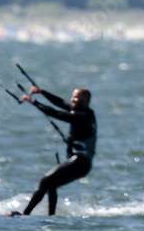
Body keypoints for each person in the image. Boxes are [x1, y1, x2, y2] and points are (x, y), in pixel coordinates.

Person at [13, 86, 97, 216]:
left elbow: (57, 113)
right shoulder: (82, 110)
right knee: (51, 185)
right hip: (80, 163)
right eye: (73, 96)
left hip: (81, 162)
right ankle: (51, 217)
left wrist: (34, 102)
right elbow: (61, 103)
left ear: (86, 100)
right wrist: (42, 92)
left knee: (45, 181)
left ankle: (25, 215)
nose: (73, 99)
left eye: (77, 97)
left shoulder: (83, 116)